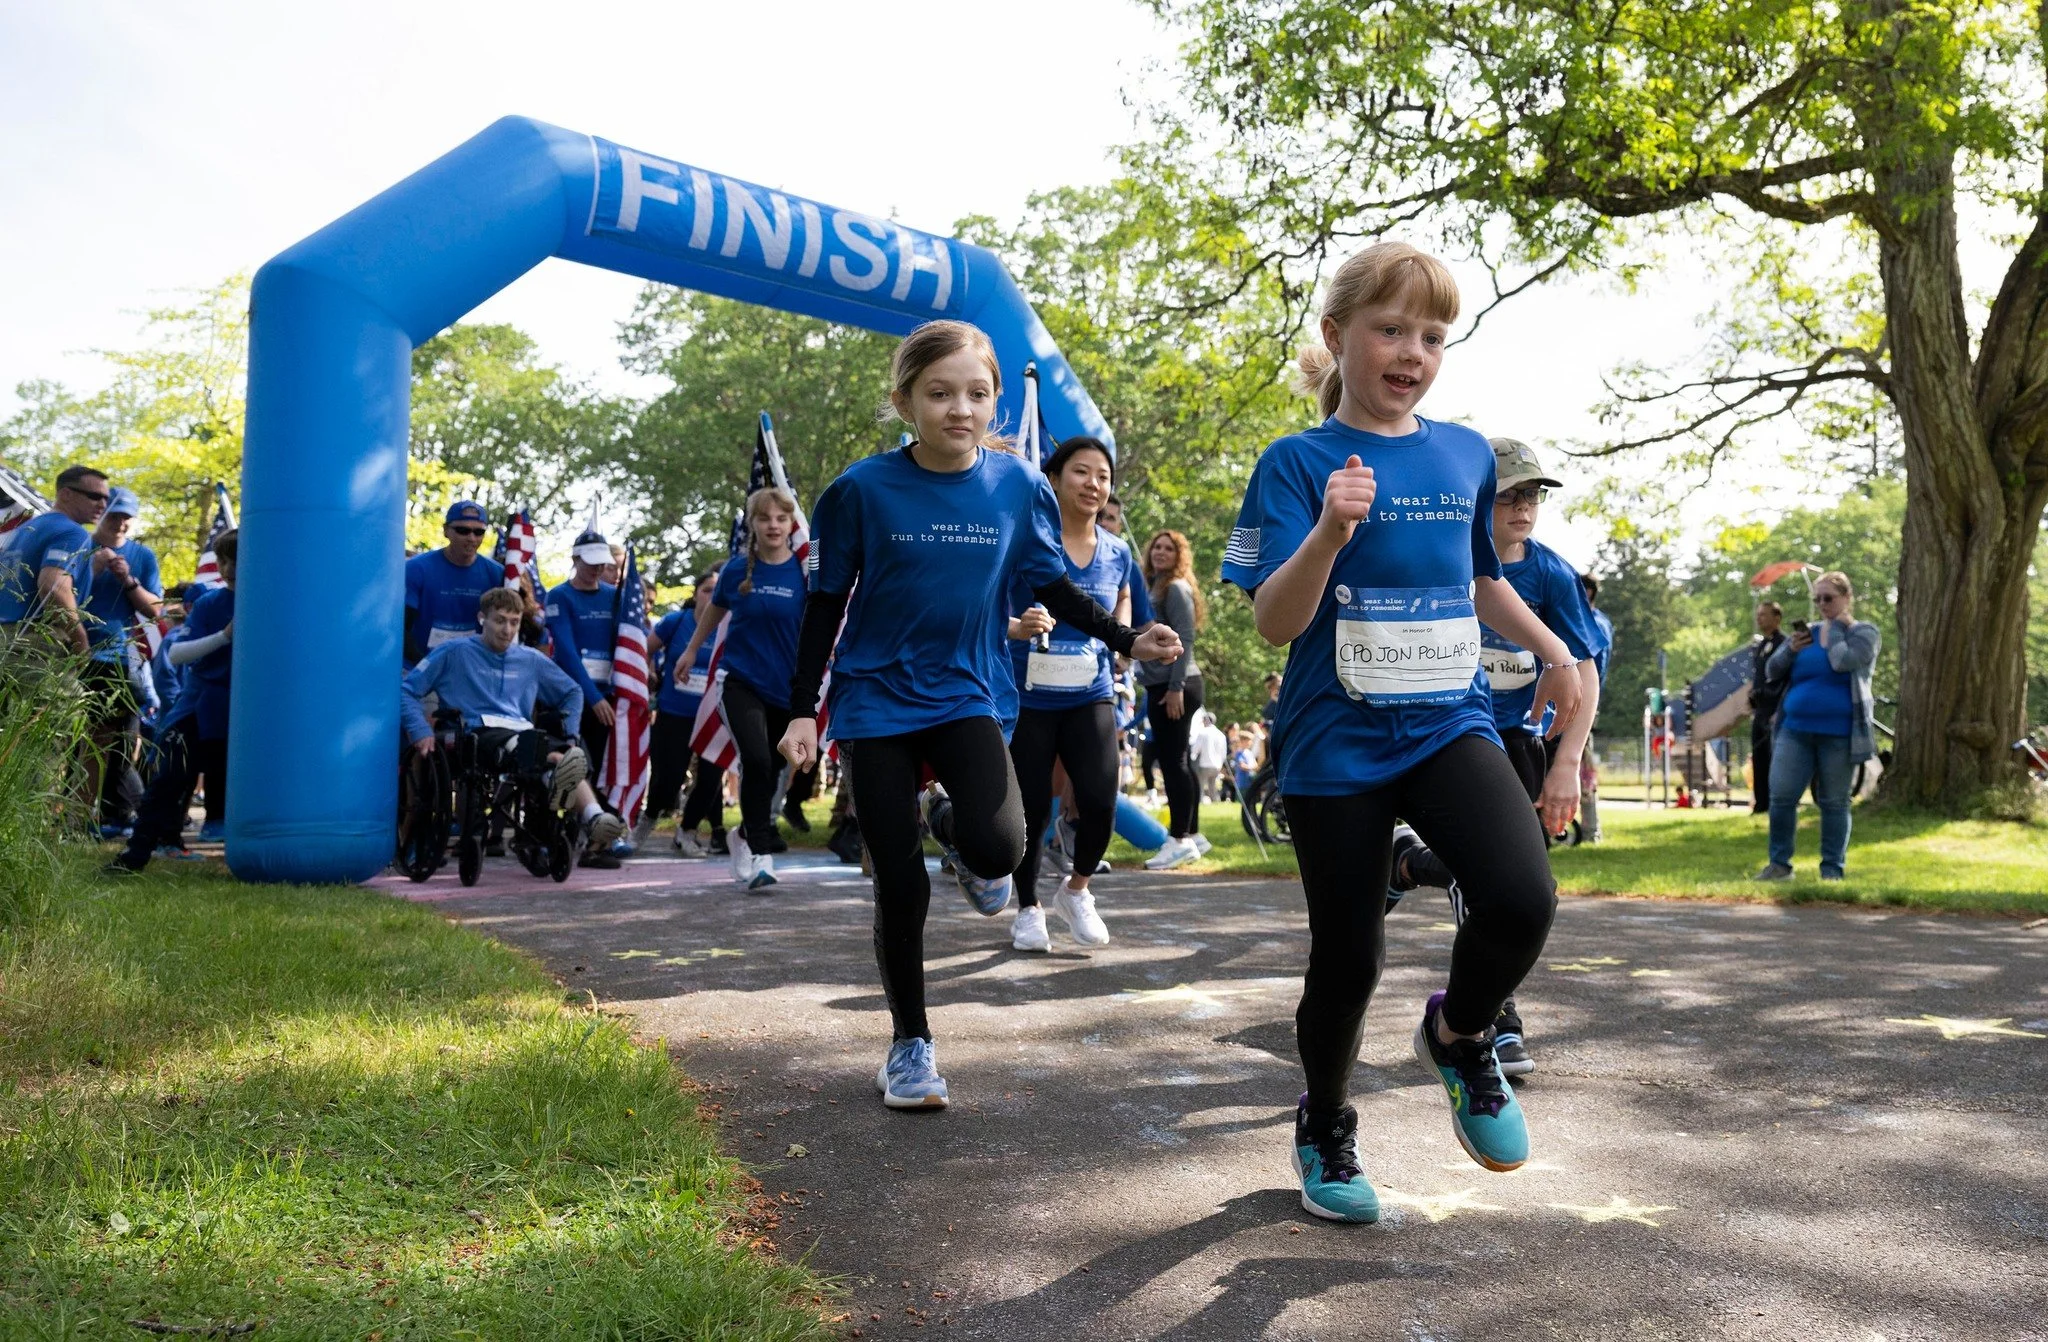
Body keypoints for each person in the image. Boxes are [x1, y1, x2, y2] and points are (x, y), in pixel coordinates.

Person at [1222, 240, 1580, 1224]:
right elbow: (1272, 620)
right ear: (1337, 337)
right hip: (1334, 738)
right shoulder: (1293, 464)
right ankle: (1325, 1122)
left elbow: (1476, 579)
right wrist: (1327, 533)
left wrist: (1553, 648)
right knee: (1346, 961)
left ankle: (1460, 1036)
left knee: (1519, 898)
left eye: (1430, 335)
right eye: (1388, 328)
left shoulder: (1464, 453)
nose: (1410, 351)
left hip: (1445, 721)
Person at [776, 320, 1180, 1110]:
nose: (960, 409)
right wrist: (801, 711)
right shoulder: (859, 492)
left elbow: (1052, 585)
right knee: (899, 884)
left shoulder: (1019, 485)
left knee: (1000, 852)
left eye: (976, 393)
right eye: (939, 393)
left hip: (967, 689)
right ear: (904, 401)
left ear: (994, 401)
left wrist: (1127, 636)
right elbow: (825, 605)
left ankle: (950, 825)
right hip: (876, 698)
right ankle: (911, 1046)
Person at [1383, 437, 1605, 1077]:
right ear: (1476, 499)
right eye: (1508, 494)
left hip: (1521, 738)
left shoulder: (1551, 573)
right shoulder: (1446, 559)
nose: (1523, 507)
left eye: (1532, 494)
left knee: (1523, 882)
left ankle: (1405, 866)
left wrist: (1567, 763)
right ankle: (1495, 1016)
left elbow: (1583, 670)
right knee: (1483, 883)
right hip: (1452, 734)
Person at [1003, 435, 1138, 953]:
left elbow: (1122, 602)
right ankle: (1028, 909)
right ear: (1053, 480)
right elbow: (992, 608)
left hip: (1091, 692)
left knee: (1101, 799)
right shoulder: (1027, 544)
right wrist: (1020, 623)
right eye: (1081, 472)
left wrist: (1122, 639)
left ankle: (1076, 889)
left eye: (1102, 476)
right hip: (1030, 695)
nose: (1093, 484)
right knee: (1032, 810)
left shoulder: (1118, 552)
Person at [401, 586, 625, 857]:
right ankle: (553, 770)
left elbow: (572, 691)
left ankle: (595, 817)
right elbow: (407, 690)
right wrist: (419, 729)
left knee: (569, 750)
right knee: (542, 752)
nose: (507, 629)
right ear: (482, 618)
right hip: (474, 730)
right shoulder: (453, 652)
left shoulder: (530, 659)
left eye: (514, 622)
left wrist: (571, 732)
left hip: (522, 731)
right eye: (500, 620)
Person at [675, 488, 807, 889]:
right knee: (757, 761)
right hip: (740, 682)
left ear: (791, 525)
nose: (772, 525)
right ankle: (761, 854)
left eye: (781, 519)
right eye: (764, 518)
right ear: (752, 524)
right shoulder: (736, 571)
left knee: (777, 766)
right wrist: (692, 649)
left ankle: (742, 835)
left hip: (787, 688)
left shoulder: (805, 571)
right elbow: (715, 610)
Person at [108, 530, 241, 874]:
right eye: (223, 559)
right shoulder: (212, 603)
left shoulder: (275, 602)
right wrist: (225, 636)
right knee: (169, 779)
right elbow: (179, 653)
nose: (227, 567)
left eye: (236, 559)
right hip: (198, 707)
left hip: (244, 714)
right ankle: (136, 854)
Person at [1754, 573, 1880, 882]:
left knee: (1834, 802)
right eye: (1817, 599)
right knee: (1782, 795)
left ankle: (1832, 871)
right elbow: (1772, 671)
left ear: (1846, 598)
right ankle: (1779, 865)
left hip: (1839, 734)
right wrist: (1790, 649)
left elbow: (1842, 662)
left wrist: (1835, 629)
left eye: (1828, 598)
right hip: (1795, 729)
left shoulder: (1863, 633)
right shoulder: (1806, 636)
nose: (1822, 605)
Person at [78, 488, 163, 834]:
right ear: (102, 514)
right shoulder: (78, 546)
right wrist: (93, 571)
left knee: (122, 741)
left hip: (120, 659)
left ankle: (117, 813)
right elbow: (56, 594)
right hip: (78, 653)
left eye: (127, 516)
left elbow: (155, 611)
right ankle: (80, 816)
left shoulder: (142, 555)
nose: (122, 522)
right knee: (83, 740)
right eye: (116, 514)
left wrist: (127, 580)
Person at [545, 529, 621, 866]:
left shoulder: (615, 595)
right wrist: (592, 697)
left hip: (609, 696)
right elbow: (566, 651)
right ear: (575, 560)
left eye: (600, 563)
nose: (595, 569)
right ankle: (564, 833)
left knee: (603, 767)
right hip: (573, 697)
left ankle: (598, 842)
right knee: (577, 763)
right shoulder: (558, 597)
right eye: (589, 563)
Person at [1137, 529, 1209, 869]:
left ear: (1179, 555)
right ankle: (1193, 834)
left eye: (1169, 548)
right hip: (1163, 684)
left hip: (1174, 685)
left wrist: (1176, 687)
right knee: (1178, 760)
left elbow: (1186, 638)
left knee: (1172, 762)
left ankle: (1178, 838)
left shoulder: (1176, 588)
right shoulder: (1153, 585)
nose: (1160, 552)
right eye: (1157, 547)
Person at [647, 571, 723, 854]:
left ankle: (687, 831)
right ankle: (645, 824)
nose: (712, 596)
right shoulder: (675, 622)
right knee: (669, 777)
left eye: (718, 590)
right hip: (674, 712)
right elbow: (643, 650)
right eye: (706, 590)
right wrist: (650, 670)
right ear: (695, 594)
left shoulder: (730, 627)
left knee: (711, 779)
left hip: (714, 716)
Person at [0, 464, 109, 654]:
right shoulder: (73, 532)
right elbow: (53, 588)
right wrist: (81, 642)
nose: (103, 505)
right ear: (66, 494)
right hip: (34, 644)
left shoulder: (20, 531)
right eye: (94, 496)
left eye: (106, 498)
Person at [403, 501, 504, 667]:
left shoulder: (496, 574)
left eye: (479, 532)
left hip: (472, 668)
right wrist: (426, 666)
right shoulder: (417, 568)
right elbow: (401, 627)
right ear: (446, 531)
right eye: (463, 530)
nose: (471, 538)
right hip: (419, 665)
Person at [1578, 572, 1613, 843]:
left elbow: (1594, 670)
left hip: (1580, 702)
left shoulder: (1592, 624)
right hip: (1582, 699)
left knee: (1583, 764)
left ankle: (1591, 830)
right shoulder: (1601, 622)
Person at [1747, 601, 1788, 814]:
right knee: (1759, 755)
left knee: (1774, 757)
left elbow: (1783, 678)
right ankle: (1760, 802)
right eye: (1758, 614)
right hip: (1759, 709)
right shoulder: (1761, 646)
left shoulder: (1784, 644)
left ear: (1776, 618)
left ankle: (1775, 802)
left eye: (1764, 615)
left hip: (1775, 709)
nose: (1759, 618)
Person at [1190, 709, 1229, 803]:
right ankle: (1216, 801)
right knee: (1213, 786)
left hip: (1204, 764)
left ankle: (1199, 801)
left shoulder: (1203, 733)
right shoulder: (1220, 734)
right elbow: (1223, 753)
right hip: (1217, 765)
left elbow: (1195, 749)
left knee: (1200, 786)